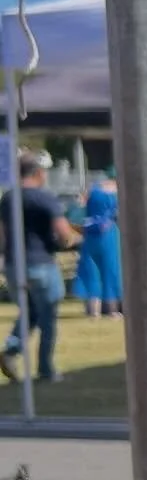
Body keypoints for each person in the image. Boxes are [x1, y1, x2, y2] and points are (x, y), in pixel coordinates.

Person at [0, 152, 79, 383]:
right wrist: (71, 241)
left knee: (30, 312)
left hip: (15, 265)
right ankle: (46, 369)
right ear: (38, 173)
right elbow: (64, 233)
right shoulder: (45, 199)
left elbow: (2, 235)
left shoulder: (8, 198)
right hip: (42, 263)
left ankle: (11, 349)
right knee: (47, 318)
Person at [72, 170, 123, 318]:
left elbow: (80, 210)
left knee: (92, 272)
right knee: (110, 270)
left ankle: (94, 311)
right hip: (109, 233)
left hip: (90, 233)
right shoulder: (116, 191)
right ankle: (113, 310)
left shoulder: (92, 189)